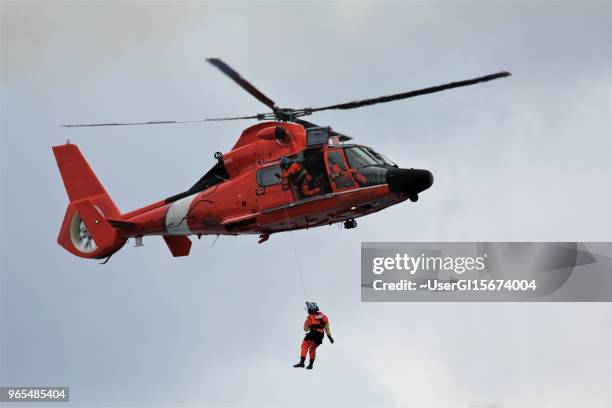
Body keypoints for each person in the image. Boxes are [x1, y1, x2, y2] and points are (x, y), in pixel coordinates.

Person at [293, 302, 333, 370]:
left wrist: (307, 323)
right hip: (320, 335)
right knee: (312, 349)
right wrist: (329, 337)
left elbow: (305, 329)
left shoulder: (310, 317)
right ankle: (311, 365)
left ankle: (302, 362)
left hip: (313, 333)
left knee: (304, 345)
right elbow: (326, 327)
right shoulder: (323, 316)